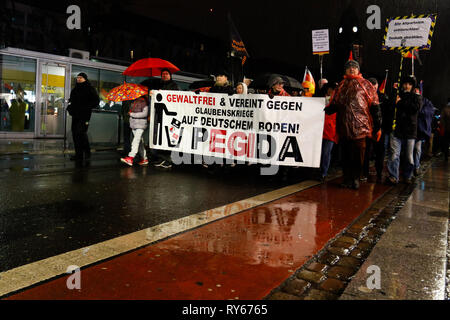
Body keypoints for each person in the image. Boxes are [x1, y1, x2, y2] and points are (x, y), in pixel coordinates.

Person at [325, 59, 380, 189]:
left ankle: (355, 178)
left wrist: (378, 125)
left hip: (360, 129)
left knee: (357, 155)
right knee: (345, 155)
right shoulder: (341, 85)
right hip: (344, 127)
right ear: (345, 70)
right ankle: (346, 178)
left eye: (354, 67)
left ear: (358, 69)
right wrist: (327, 108)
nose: (351, 69)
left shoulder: (366, 85)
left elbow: (375, 106)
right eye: (349, 67)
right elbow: (336, 103)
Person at [386, 75, 422, 184]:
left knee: (409, 156)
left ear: (412, 86)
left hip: (410, 131)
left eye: (409, 84)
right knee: (394, 154)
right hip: (397, 129)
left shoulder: (416, 97)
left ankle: (407, 175)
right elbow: (390, 106)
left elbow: (414, 109)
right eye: (405, 84)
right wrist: (393, 92)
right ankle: (393, 176)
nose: (407, 86)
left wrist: (400, 103)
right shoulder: (397, 94)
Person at [67, 73, 99, 161]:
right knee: (75, 134)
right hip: (75, 115)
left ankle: (87, 152)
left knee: (81, 133)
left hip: (85, 115)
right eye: (77, 78)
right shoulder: (75, 89)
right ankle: (79, 154)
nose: (78, 79)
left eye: (80, 78)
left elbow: (96, 101)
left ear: (85, 79)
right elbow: (72, 100)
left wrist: (87, 107)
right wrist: (70, 107)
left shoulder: (90, 89)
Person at [361, 77, 383, 182]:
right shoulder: (362, 97)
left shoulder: (382, 97)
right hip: (366, 129)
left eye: (374, 87)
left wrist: (380, 128)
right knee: (365, 153)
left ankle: (379, 172)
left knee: (379, 152)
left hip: (378, 129)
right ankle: (364, 173)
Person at [120, 96, 149, 166]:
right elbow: (131, 111)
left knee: (135, 141)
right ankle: (144, 159)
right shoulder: (133, 102)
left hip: (140, 125)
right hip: (134, 125)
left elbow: (145, 114)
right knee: (139, 143)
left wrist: (132, 114)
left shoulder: (144, 102)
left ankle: (130, 157)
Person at [413, 87, 436, 175]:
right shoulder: (410, 99)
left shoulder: (426, 102)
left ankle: (416, 166)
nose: (416, 92)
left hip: (419, 131)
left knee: (417, 149)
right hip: (410, 130)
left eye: (417, 90)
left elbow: (428, 112)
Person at [319, 82, 338, 182]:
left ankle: (323, 172)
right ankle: (320, 171)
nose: (332, 90)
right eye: (330, 88)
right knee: (319, 153)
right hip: (318, 131)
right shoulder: (319, 99)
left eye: (334, 89)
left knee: (326, 153)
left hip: (330, 132)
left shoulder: (337, 102)